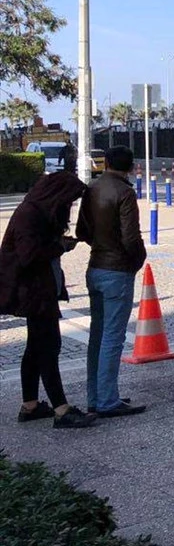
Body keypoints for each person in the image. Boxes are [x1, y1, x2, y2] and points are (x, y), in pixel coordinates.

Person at [0, 161, 95, 428]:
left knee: (35, 348)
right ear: (57, 196)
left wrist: (58, 244)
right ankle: (62, 409)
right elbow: (29, 255)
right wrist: (59, 247)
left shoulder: (35, 211)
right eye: (70, 201)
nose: (70, 207)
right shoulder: (30, 215)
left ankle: (30, 405)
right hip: (32, 292)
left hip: (37, 291)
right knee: (48, 348)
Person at [77, 146, 148, 418]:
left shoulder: (92, 189)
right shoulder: (125, 192)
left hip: (95, 266)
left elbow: (82, 230)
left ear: (105, 163)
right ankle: (108, 399)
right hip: (117, 270)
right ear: (131, 167)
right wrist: (137, 259)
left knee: (97, 336)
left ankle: (96, 396)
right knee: (112, 338)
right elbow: (131, 237)